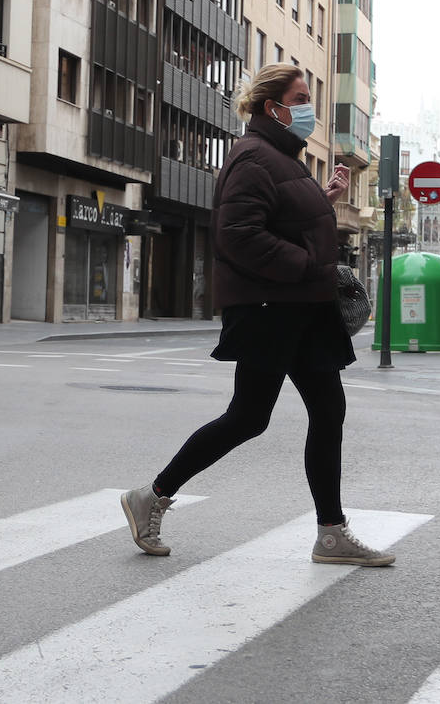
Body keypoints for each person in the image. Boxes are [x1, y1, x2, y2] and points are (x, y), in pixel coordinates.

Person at [120, 63, 394, 566]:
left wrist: (324, 199)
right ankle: (152, 495)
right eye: (301, 97)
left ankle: (330, 532)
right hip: (272, 309)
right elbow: (239, 234)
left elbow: (281, 218)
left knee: (328, 411)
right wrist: (307, 263)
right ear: (275, 107)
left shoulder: (283, 159)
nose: (308, 108)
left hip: (301, 308)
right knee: (248, 417)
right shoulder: (253, 157)